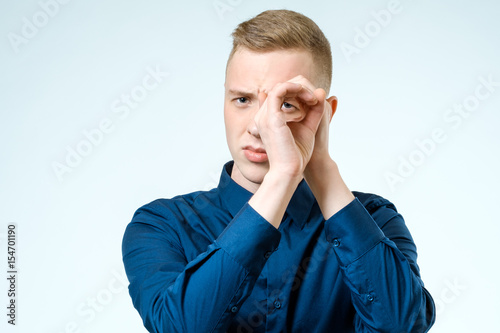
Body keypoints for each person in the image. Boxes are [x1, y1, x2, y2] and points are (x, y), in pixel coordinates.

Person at [122, 9, 436, 333]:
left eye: (286, 103)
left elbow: (403, 325)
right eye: (242, 99)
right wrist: (282, 177)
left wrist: (321, 167)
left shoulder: (374, 220)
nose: (259, 126)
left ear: (325, 114)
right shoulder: (163, 225)